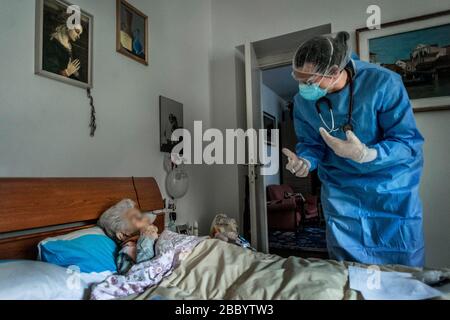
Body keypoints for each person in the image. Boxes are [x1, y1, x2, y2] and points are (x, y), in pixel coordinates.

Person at [283, 31, 425, 267]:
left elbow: (407, 142)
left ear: (334, 72)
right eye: (298, 79)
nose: (302, 88)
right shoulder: (302, 102)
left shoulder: (383, 83)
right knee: (347, 269)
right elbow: (311, 144)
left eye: (309, 81)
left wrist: (367, 154)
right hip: (342, 193)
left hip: (390, 190)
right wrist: (305, 162)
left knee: (401, 268)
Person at [98, 199, 159, 274]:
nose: (145, 219)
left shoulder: (142, 236)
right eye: (137, 218)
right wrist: (147, 239)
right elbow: (142, 273)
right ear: (122, 235)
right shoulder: (126, 252)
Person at [43, 14, 83, 80]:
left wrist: (76, 73)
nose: (78, 36)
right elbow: (49, 70)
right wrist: (66, 72)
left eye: (79, 34)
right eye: (77, 31)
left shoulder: (71, 47)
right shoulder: (53, 43)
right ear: (68, 27)